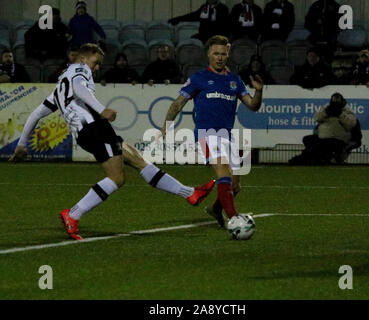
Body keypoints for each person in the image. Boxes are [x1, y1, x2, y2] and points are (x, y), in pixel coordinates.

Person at [9, 43, 215, 240]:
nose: (96, 67)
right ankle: (73, 214)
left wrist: (22, 144)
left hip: (90, 132)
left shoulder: (59, 88)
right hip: (94, 129)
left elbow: (36, 114)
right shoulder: (80, 70)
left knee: (136, 158)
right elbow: (80, 87)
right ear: (82, 58)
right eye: (95, 62)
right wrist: (102, 110)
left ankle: (191, 193)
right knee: (117, 178)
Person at [160, 35, 263, 229]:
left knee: (234, 185)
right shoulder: (199, 78)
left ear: (228, 54)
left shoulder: (235, 80)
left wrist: (258, 91)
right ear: (209, 54)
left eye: (223, 54)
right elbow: (178, 103)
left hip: (227, 136)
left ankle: (216, 209)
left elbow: (252, 106)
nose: (220, 57)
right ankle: (234, 219)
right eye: (216, 53)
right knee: (223, 171)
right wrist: (167, 124)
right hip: (206, 134)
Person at [289, 93, 359, 165]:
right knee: (307, 139)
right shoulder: (326, 108)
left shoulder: (347, 111)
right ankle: (318, 158)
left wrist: (340, 114)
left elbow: (352, 124)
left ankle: (303, 159)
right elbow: (316, 118)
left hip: (338, 139)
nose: (335, 103)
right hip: (322, 138)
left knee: (322, 145)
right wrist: (326, 112)